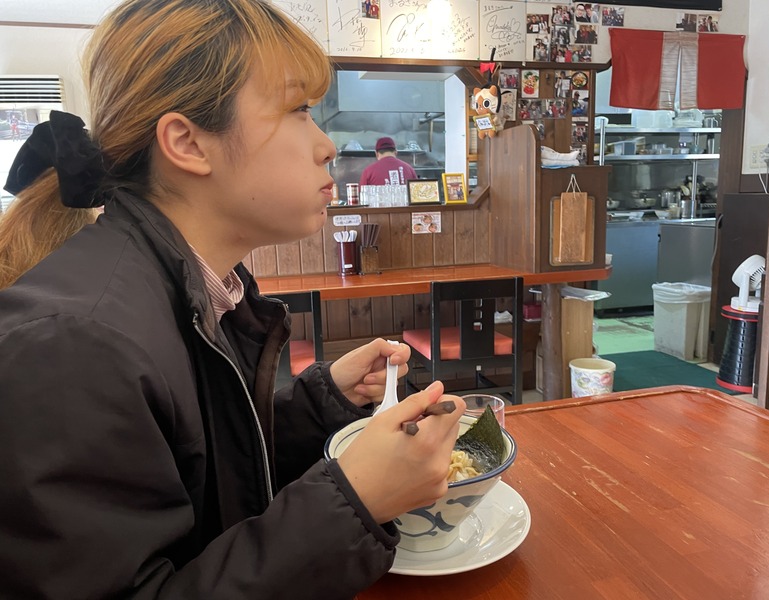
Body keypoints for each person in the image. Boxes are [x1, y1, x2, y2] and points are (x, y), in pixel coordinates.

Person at [0, 1, 466, 598]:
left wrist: (322, 402)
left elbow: (206, 475)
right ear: (189, 143)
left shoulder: (199, 286)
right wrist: (355, 501)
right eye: (297, 110)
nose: (326, 145)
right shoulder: (75, 345)